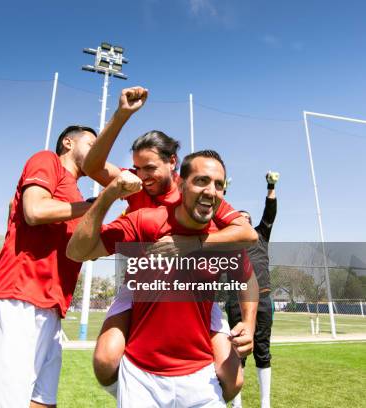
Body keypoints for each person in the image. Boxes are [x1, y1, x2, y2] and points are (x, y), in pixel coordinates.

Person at [82, 86, 258, 400]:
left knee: (233, 381)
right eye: (136, 167)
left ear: (173, 164)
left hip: (193, 292)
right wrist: (122, 114)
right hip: (143, 285)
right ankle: (136, 391)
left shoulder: (195, 192)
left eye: (150, 167)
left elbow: (246, 234)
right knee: (105, 359)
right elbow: (92, 168)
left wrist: (192, 245)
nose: (142, 175)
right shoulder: (134, 184)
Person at [0, 126, 99, 408]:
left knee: (41, 402)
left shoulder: (75, 194)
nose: (97, 151)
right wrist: (94, 205)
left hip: (50, 307)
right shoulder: (47, 160)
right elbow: (34, 211)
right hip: (16, 299)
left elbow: (86, 252)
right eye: (91, 143)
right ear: (68, 142)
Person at [226, 171, 279, 408]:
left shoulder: (261, 235)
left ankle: (264, 403)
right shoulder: (229, 239)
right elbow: (215, 217)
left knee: (262, 350)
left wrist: (270, 185)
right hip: (237, 300)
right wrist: (223, 192)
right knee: (238, 351)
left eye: (248, 216)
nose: (244, 218)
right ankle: (237, 404)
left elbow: (269, 214)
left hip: (264, 297)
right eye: (240, 216)